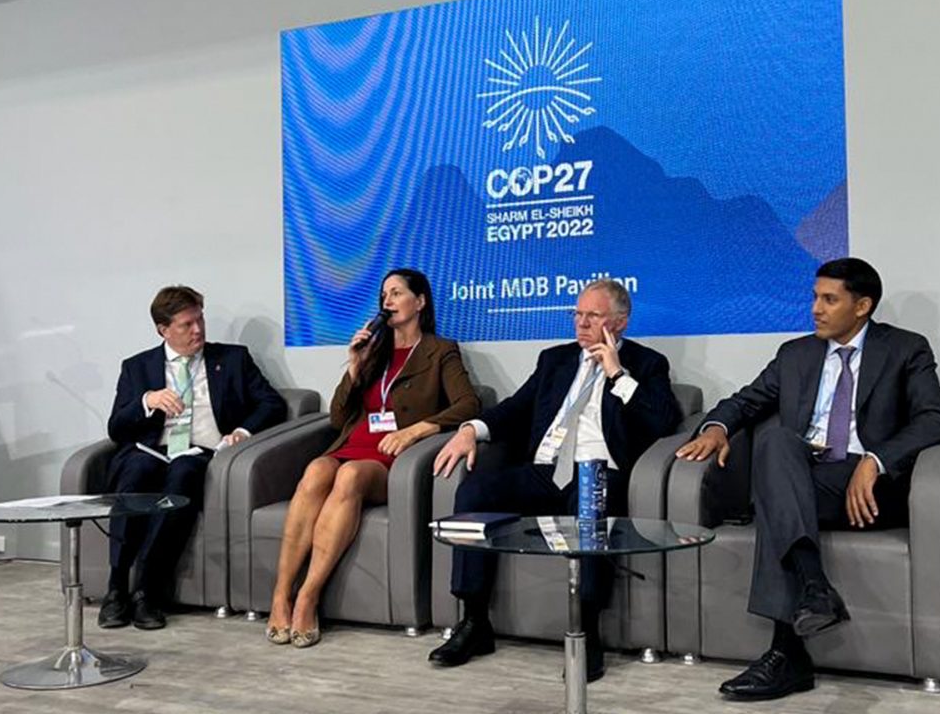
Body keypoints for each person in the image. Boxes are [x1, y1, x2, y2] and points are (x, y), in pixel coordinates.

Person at [675, 257, 940, 701]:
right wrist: (715, 428)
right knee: (776, 444)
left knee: (774, 495)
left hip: (870, 488)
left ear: (862, 306)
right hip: (809, 478)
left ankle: (787, 655)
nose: (816, 309)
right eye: (815, 297)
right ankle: (814, 589)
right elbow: (746, 401)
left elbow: (936, 419)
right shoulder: (796, 353)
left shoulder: (905, 348)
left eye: (830, 299)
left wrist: (876, 459)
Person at [428, 278, 682, 682]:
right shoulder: (555, 360)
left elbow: (662, 421)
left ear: (619, 322)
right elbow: (515, 409)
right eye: (577, 315)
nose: (581, 324)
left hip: (599, 470)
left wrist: (617, 374)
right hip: (545, 471)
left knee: (590, 504)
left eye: (592, 316)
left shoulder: (648, 364)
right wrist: (470, 430)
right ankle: (475, 621)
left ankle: (587, 634)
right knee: (476, 490)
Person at [265, 269, 480, 648]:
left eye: (397, 293)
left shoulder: (440, 350)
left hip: (391, 459)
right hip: (354, 445)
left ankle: (308, 597)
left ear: (421, 301)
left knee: (349, 477)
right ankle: (280, 595)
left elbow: (468, 403)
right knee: (316, 469)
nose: (388, 301)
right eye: (385, 295)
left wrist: (418, 430)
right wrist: (354, 366)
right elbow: (337, 417)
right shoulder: (374, 353)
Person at [101, 285, 286, 630]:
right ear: (163, 330)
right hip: (150, 450)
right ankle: (115, 588)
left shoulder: (232, 359)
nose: (198, 330)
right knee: (136, 473)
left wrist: (242, 432)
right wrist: (147, 401)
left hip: (200, 451)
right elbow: (116, 428)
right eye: (187, 325)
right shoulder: (137, 368)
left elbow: (271, 403)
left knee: (183, 475)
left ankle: (145, 590)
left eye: (199, 319)